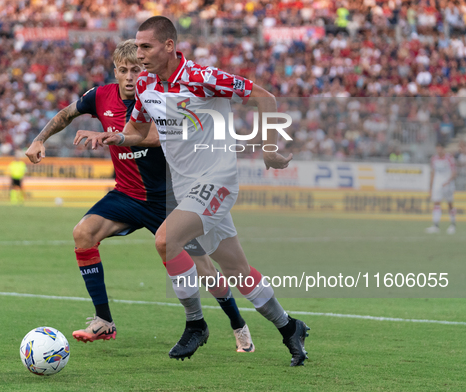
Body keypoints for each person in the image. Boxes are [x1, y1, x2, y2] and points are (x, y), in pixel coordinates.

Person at [95, 16, 310, 365]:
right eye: (137, 46)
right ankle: (290, 328)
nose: (140, 54)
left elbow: (264, 97)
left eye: (146, 46)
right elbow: (137, 129)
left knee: (166, 240)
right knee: (239, 271)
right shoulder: (147, 84)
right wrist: (114, 136)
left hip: (217, 180)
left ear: (169, 46)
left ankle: (196, 324)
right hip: (186, 188)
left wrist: (269, 147)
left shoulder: (201, 78)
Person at [25, 40, 254, 353]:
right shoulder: (99, 96)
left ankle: (238, 326)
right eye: (124, 70)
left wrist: (119, 136)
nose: (131, 76)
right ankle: (104, 321)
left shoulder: (159, 97)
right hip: (128, 195)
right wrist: (40, 140)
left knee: (205, 268)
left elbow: (160, 136)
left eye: (137, 69)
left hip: (171, 199)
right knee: (83, 233)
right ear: (115, 73)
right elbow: (66, 114)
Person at [426, 143, 457, 234]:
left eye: (440, 148)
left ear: (443, 149)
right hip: (438, 184)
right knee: (436, 203)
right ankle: (435, 225)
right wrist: (431, 187)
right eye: (437, 148)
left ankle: (453, 224)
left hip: (448, 184)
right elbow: (433, 173)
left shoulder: (449, 158)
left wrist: (448, 181)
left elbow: (454, 172)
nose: (438, 150)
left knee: (450, 204)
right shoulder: (434, 159)